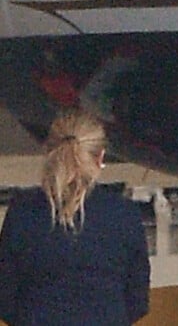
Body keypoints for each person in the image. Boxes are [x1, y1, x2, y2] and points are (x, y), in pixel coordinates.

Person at [0, 109, 150, 326]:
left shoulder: (23, 211)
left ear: (49, 153)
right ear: (100, 157)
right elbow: (137, 301)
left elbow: (5, 296)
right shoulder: (124, 214)